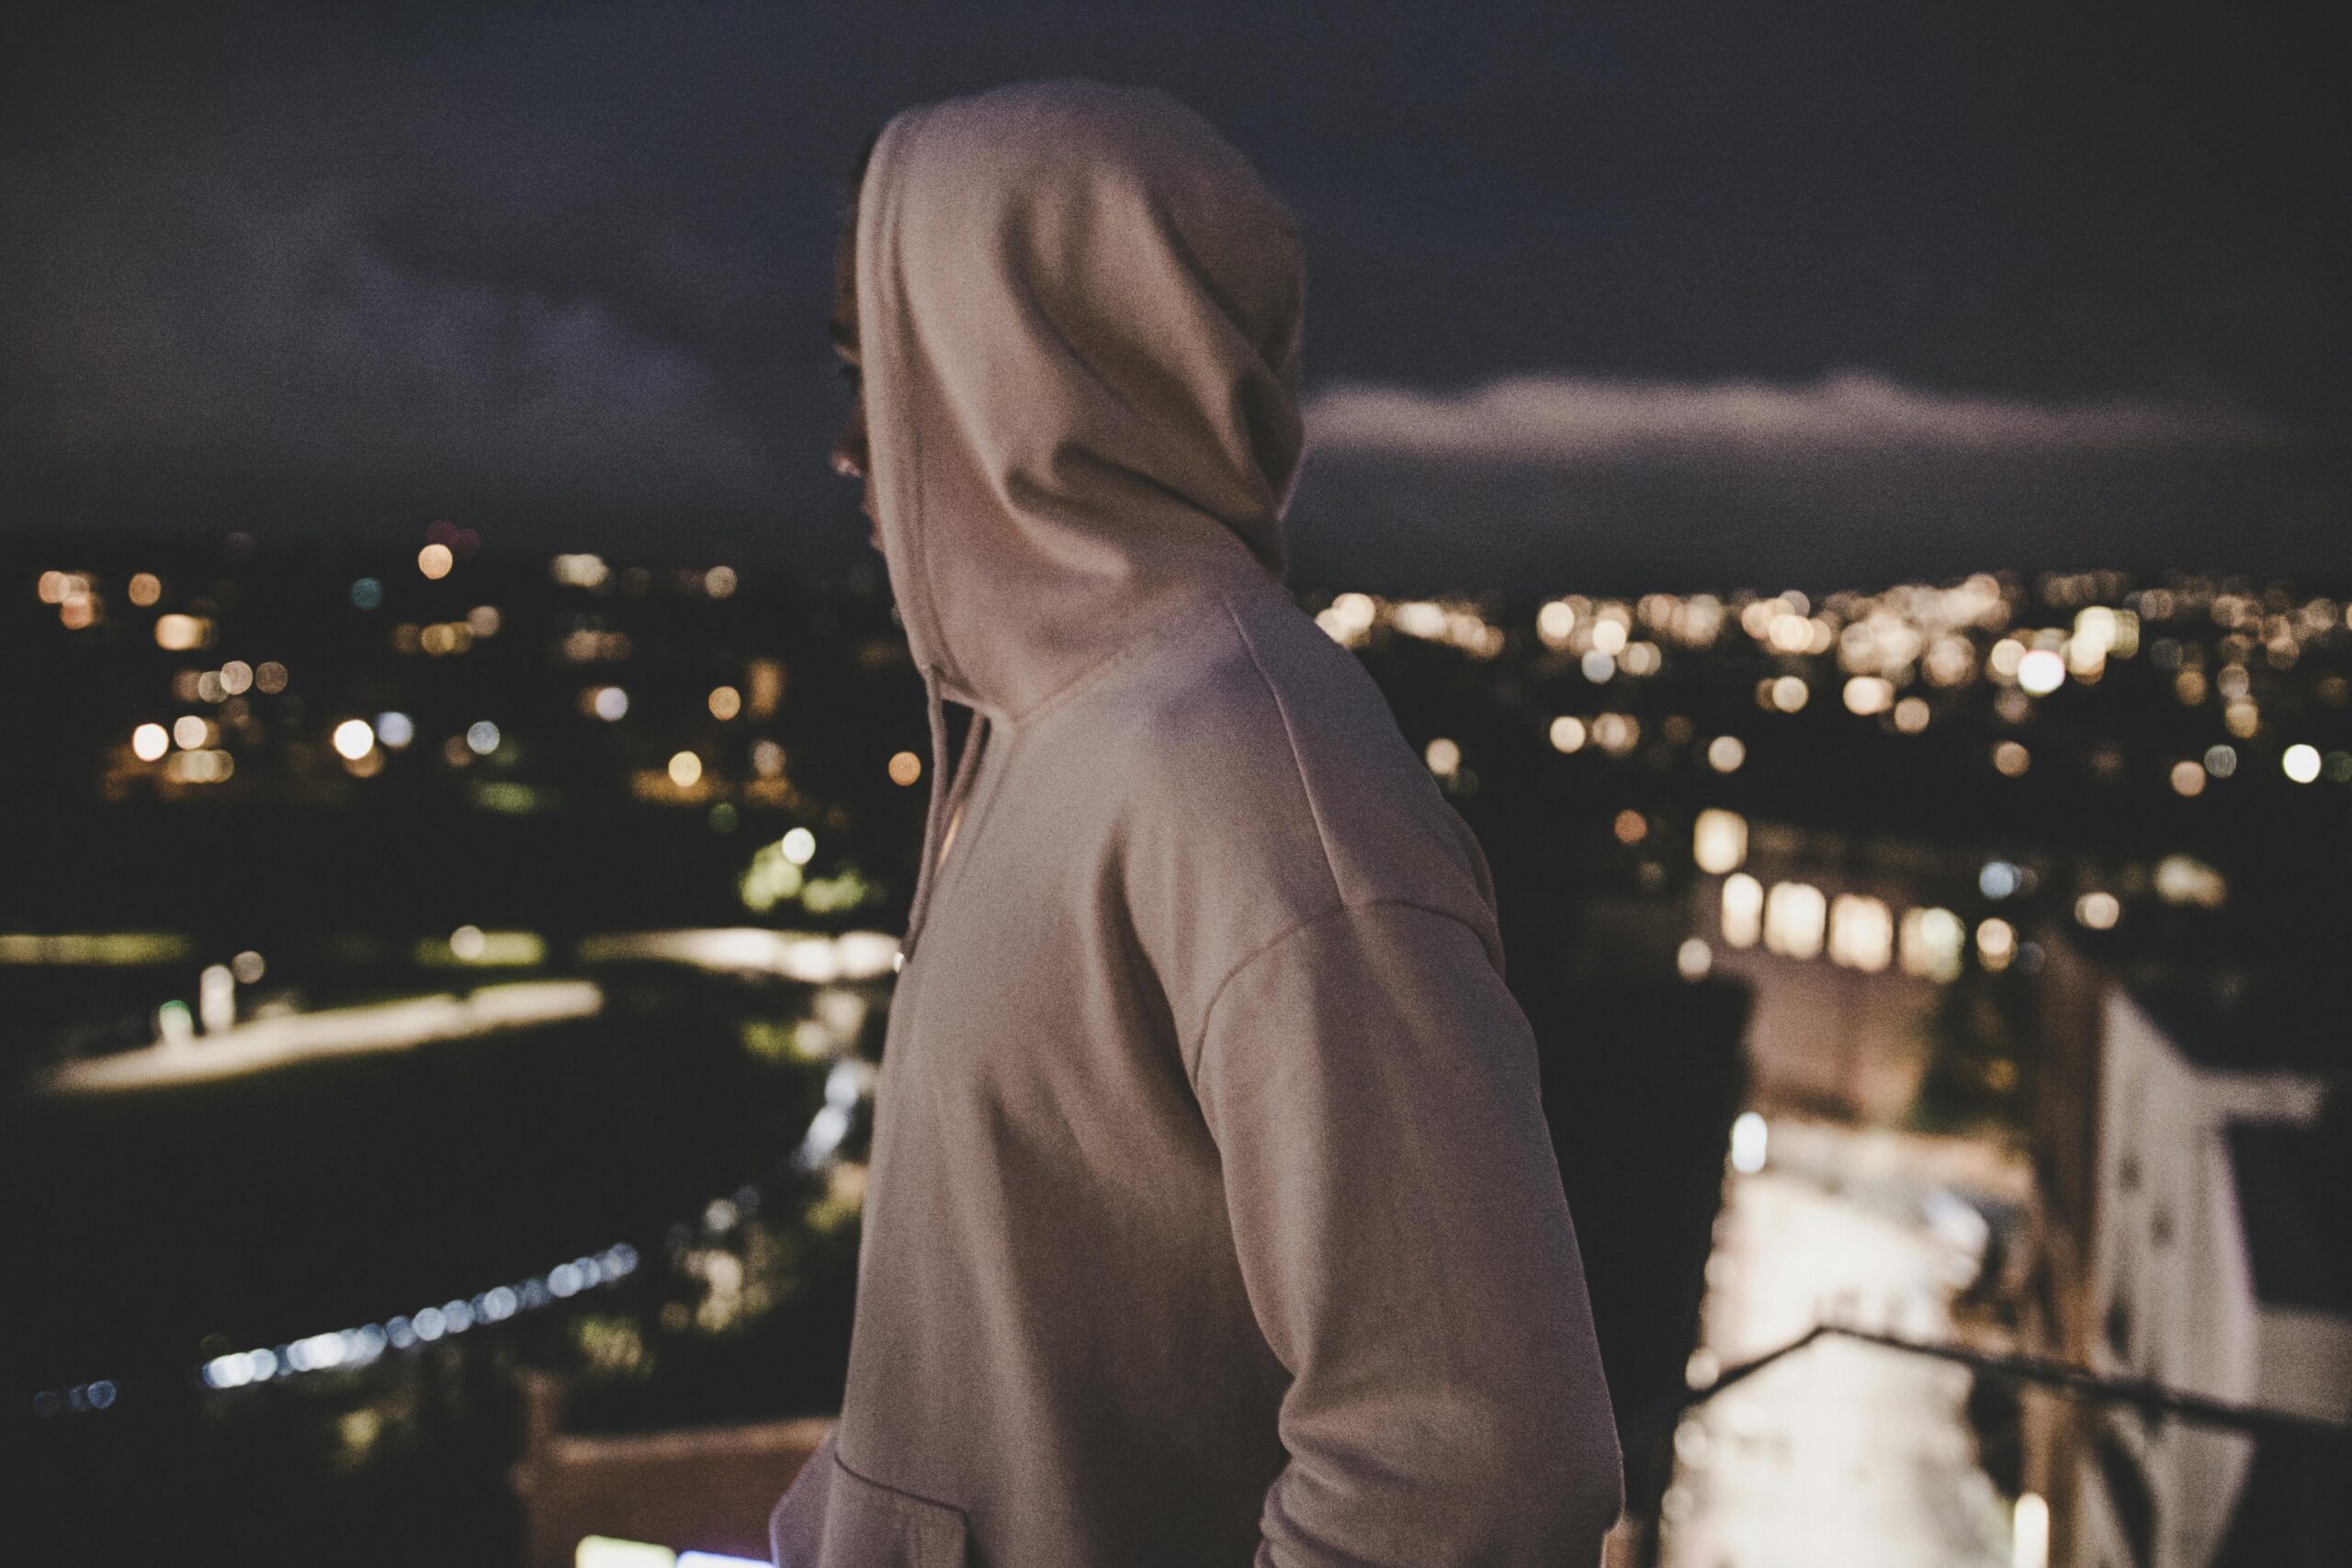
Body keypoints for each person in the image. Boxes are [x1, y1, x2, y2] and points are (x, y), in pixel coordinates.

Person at [771, 79, 1622, 1567]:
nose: (853, 442)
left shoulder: (1246, 776)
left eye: (882, 366)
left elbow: (1480, 1470)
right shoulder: (1059, 734)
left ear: (1026, 362)